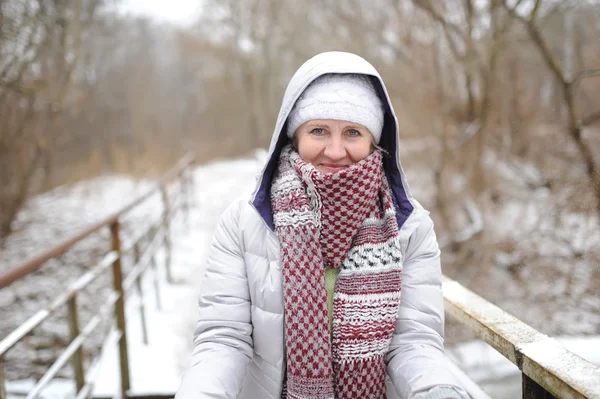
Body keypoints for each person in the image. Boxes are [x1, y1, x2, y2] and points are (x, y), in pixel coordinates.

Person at [175, 51, 469, 399]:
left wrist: (437, 390)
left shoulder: (410, 227)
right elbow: (224, 338)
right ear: (294, 136)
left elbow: (414, 341)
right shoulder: (245, 222)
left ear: (374, 141)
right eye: (318, 131)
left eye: (352, 132)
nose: (334, 150)